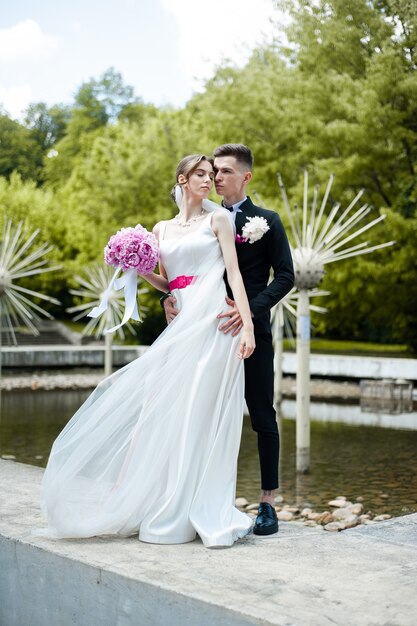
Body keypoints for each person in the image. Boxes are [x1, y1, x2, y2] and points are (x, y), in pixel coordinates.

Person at [37, 154, 256, 548]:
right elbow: (170, 283)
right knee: (170, 413)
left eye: (212, 175)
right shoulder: (162, 228)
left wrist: (248, 324)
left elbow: (234, 273)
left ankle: (199, 507)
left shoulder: (218, 220)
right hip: (182, 318)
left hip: (212, 323)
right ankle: (166, 501)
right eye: (201, 175)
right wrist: (138, 268)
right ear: (183, 180)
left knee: (198, 414)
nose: (209, 181)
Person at [163, 144, 295, 535]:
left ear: (245, 177)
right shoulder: (201, 218)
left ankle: (267, 502)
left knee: (261, 412)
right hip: (203, 329)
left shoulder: (266, 221)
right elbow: (180, 266)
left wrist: (248, 310)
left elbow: (285, 276)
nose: (216, 177)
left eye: (224, 171)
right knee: (196, 413)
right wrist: (166, 296)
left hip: (249, 329)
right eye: (212, 171)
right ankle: (198, 497)